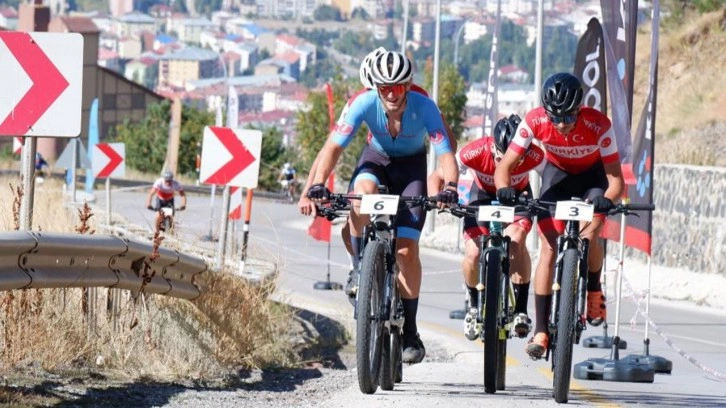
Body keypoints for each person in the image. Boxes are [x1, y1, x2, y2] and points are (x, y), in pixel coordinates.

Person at [307, 50, 460, 365]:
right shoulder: (362, 103)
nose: (391, 93)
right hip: (375, 160)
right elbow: (333, 147)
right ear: (375, 87)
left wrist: (451, 187)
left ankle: (411, 332)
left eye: (398, 87)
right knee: (361, 195)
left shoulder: (425, 107)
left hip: (411, 169)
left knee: (406, 251)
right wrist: (319, 183)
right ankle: (360, 267)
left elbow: (445, 153)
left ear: (408, 85)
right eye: (384, 87)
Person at [493, 72, 625, 360]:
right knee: (548, 249)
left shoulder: (599, 125)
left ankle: (593, 289)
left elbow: (617, 182)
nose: (562, 124)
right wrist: (504, 189)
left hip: (593, 178)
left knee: (590, 235)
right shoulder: (534, 120)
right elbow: (504, 167)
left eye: (568, 117)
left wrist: (607, 199)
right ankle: (540, 329)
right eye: (556, 117)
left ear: (579, 109)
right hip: (558, 177)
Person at [430, 114, 544, 340]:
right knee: (473, 253)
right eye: (503, 159)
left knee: (516, 242)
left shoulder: (534, 154)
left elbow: (554, 176)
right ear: (493, 148)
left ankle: (520, 308)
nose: (512, 164)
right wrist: (437, 197)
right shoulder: (475, 151)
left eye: (518, 160)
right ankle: (473, 305)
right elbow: (438, 176)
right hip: (481, 197)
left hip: (517, 198)